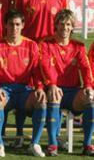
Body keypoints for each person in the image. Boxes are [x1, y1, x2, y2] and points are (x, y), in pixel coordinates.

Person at [0, 9, 46, 157]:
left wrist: (39, 88)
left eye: (18, 24)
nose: (14, 28)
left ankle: (35, 143)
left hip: (24, 90)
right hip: (4, 90)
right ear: (5, 25)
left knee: (41, 100)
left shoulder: (31, 45)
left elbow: (36, 72)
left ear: (23, 25)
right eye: (11, 24)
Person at [40, 9, 94, 156]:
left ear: (72, 27)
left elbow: (86, 68)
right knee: (54, 95)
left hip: (72, 93)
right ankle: (52, 145)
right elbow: (44, 66)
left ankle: (88, 145)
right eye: (61, 24)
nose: (65, 27)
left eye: (68, 24)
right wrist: (52, 84)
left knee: (90, 98)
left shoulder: (79, 46)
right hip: (53, 90)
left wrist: (88, 86)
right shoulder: (46, 44)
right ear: (56, 25)